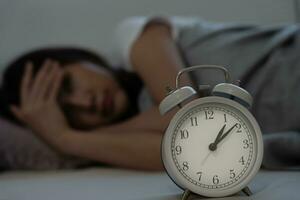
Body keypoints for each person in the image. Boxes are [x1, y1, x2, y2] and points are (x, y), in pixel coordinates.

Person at [1, 16, 299, 171]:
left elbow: (189, 120)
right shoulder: (120, 147)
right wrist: (65, 140)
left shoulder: (132, 38)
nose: (84, 103)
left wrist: (67, 136)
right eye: (67, 112)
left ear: (78, 58)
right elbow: (191, 153)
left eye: (67, 84)